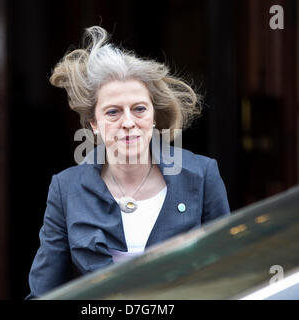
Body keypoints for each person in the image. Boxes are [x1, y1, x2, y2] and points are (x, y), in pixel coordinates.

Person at [26, 26, 230, 299]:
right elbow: (43, 293)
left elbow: (230, 274)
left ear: (154, 116)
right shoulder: (66, 189)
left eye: (139, 109)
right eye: (113, 112)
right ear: (94, 124)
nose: (129, 122)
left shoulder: (202, 176)